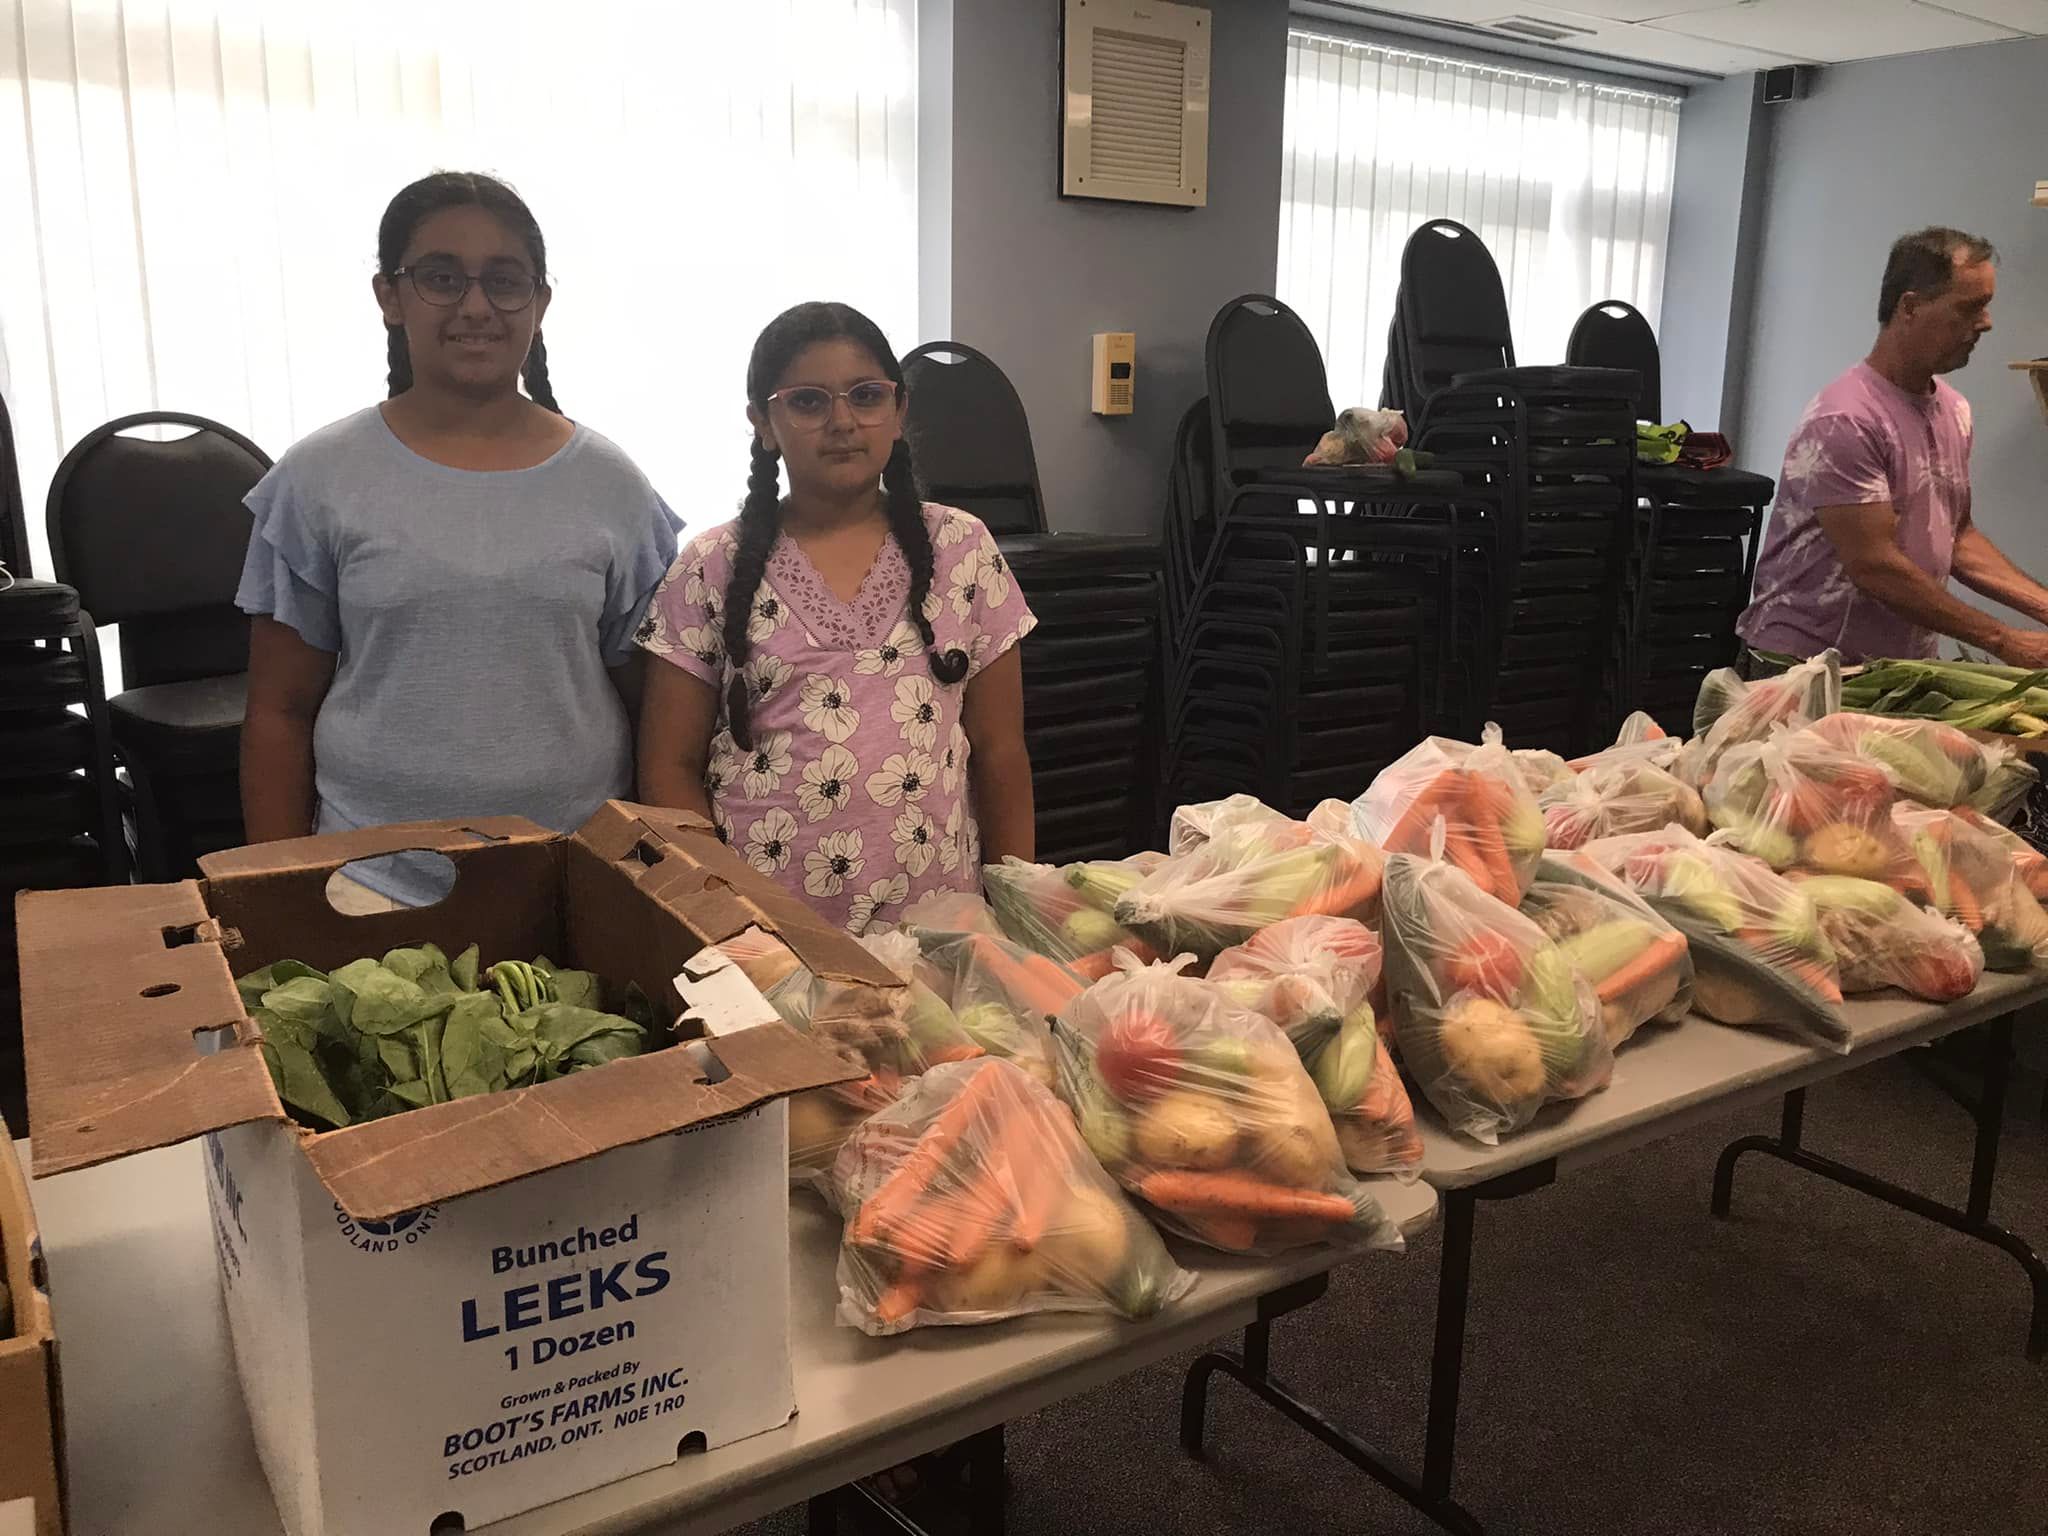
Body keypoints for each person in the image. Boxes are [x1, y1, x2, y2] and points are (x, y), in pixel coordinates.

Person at [236, 172, 679, 906]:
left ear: (540, 303)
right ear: (389, 296)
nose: (476, 306)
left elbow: (655, 712)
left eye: (504, 281)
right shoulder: (318, 478)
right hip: (366, 883)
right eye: (442, 278)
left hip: (578, 882)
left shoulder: (612, 485)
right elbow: (278, 713)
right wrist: (277, 895)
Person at [637, 301, 1036, 934]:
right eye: (808, 402)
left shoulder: (961, 548)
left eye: (866, 395)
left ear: (899, 411)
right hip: (770, 936)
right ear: (763, 422)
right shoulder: (711, 565)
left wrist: (1019, 912)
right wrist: (727, 918)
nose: (843, 421)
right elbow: (668, 768)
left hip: (942, 928)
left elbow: (1000, 750)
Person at [1738, 226, 2048, 667]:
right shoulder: (1846, 418)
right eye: (1969, 307)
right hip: (1803, 668)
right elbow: (1874, 565)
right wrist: (2003, 639)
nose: (1986, 322)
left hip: (1893, 667)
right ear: (1910, 306)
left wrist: (2043, 607)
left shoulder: (1954, 410)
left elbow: (1958, 538)